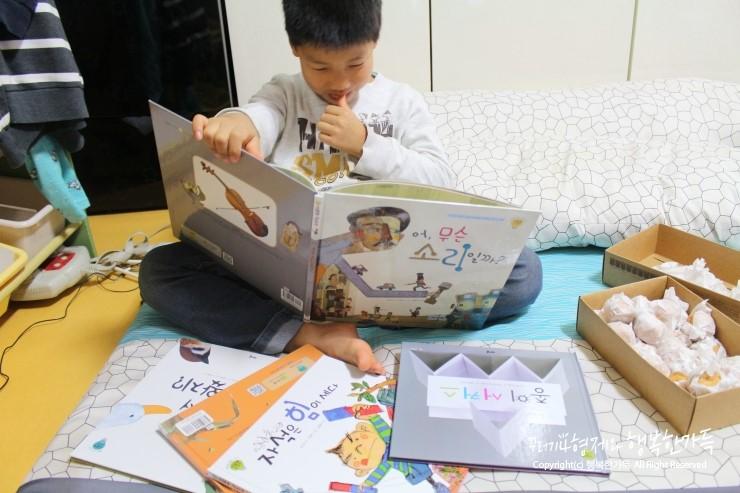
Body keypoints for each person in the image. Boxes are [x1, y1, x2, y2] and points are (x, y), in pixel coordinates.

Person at [140, 0, 542, 376]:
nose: (340, 82)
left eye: (356, 63)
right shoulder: (285, 93)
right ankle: (306, 333)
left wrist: (366, 144)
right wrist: (235, 124)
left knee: (522, 271)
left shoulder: (402, 102)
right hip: (286, 273)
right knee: (160, 269)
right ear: (295, 48)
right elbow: (258, 115)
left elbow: (440, 178)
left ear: (375, 41)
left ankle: (372, 312)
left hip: (384, 267)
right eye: (320, 67)